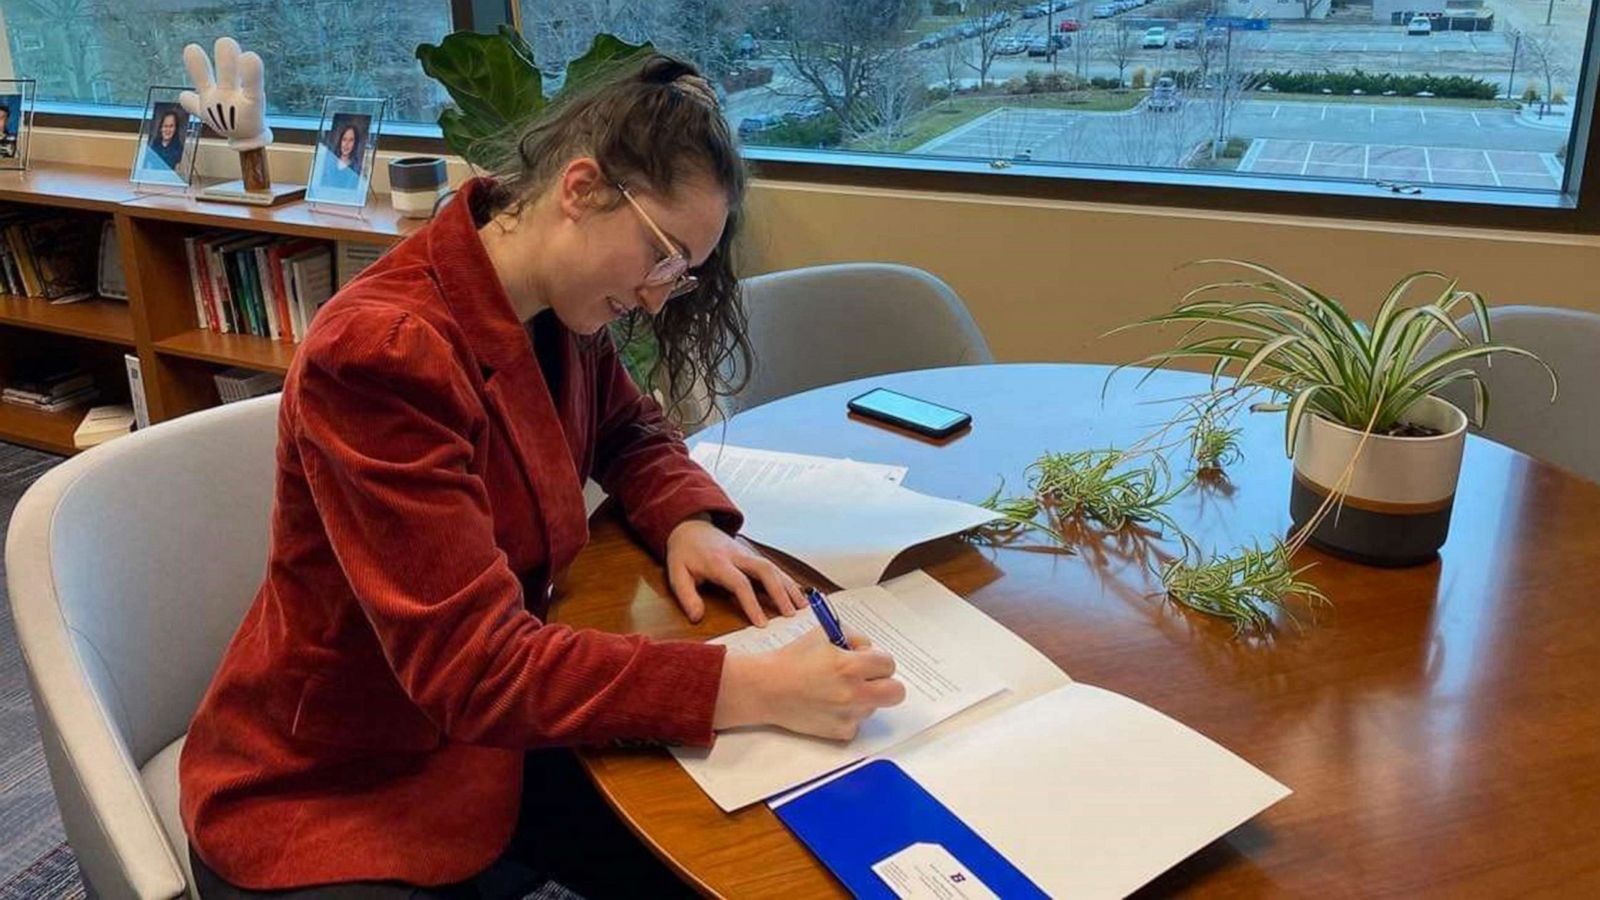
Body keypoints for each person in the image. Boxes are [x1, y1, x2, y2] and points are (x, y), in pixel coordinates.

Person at [178, 54, 907, 900]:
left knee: (765, 852)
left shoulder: (554, 306)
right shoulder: (383, 355)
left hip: (494, 743)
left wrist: (686, 521)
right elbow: (476, 669)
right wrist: (748, 687)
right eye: (666, 255)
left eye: (683, 273)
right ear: (581, 188)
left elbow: (630, 428)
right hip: (341, 785)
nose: (661, 296)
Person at [318, 121, 363, 193]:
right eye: (344, 139)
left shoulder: (356, 168)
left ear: (355, 143)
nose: (346, 144)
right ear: (340, 141)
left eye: (351, 140)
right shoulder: (329, 162)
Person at [145, 107, 185, 172]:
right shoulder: (153, 146)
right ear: (161, 128)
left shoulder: (179, 150)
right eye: (165, 126)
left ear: (176, 128)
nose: (168, 130)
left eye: (171, 126)